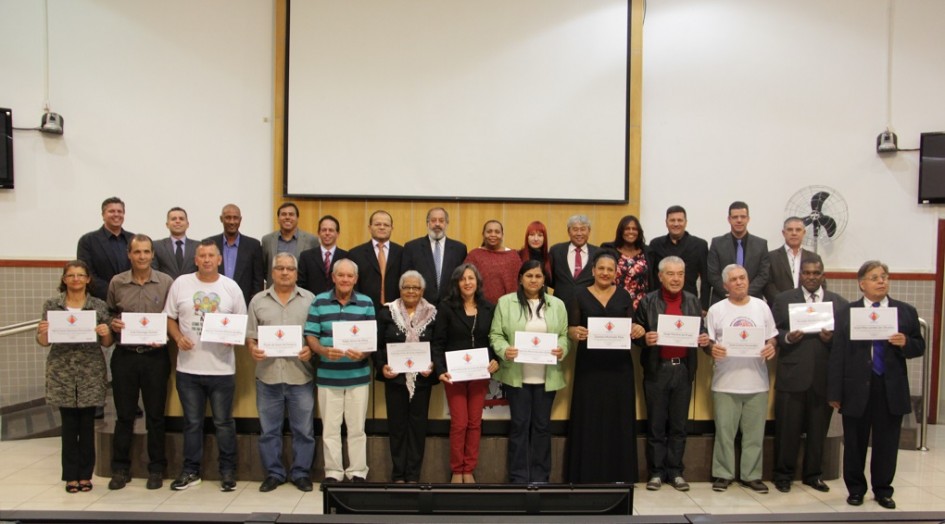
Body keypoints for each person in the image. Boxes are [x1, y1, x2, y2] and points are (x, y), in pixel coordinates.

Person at [828, 261, 925, 510]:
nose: (881, 281)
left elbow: (919, 346)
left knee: (886, 443)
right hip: (856, 387)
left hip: (889, 387)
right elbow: (838, 353)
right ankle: (856, 490)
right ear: (862, 284)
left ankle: (883, 490)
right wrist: (835, 391)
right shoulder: (847, 313)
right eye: (874, 277)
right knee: (854, 443)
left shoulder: (904, 311)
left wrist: (906, 342)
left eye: (884, 276)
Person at [164, 239, 247, 492]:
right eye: (203, 256)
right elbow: (168, 317)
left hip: (221, 369)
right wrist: (178, 338)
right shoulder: (181, 284)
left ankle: (227, 471)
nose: (207, 260)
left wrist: (232, 337)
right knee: (192, 423)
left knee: (223, 423)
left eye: (212, 255)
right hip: (188, 369)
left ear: (219, 259)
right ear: (196, 259)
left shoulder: (231, 287)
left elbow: (241, 322)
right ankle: (191, 471)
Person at [771, 255, 847, 493]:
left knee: (818, 430)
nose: (811, 277)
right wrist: (787, 337)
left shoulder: (839, 303)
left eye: (816, 273)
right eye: (806, 273)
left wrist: (831, 339)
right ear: (800, 275)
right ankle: (783, 475)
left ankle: (813, 475)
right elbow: (774, 332)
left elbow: (845, 341)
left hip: (822, 378)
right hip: (792, 374)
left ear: (823, 275)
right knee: (787, 429)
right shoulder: (784, 300)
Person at [489, 260, 569, 484]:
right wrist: (505, 350)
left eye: (538, 276)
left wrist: (562, 349)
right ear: (520, 278)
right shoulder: (505, 303)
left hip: (547, 377)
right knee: (519, 426)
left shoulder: (557, 305)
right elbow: (495, 335)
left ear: (545, 280)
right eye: (529, 276)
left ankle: (541, 477)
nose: (534, 280)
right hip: (516, 376)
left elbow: (563, 335)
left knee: (542, 428)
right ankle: (518, 477)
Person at [634, 255, 710, 491]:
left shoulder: (692, 301)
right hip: (658, 369)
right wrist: (645, 339)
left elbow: (701, 331)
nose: (676, 279)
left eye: (680, 274)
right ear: (660, 276)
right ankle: (656, 472)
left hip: (684, 370)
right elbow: (637, 334)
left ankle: (676, 472)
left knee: (679, 424)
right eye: (670, 273)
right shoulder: (648, 302)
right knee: (656, 424)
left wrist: (704, 338)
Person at [36, 260, 113, 493]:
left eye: (81, 275)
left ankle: (85, 475)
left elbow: (107, 343)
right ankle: (70, 476)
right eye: (71, 275)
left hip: (90, 371)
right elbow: (43, 341)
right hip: (62, 372)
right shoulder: (52, 305)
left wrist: (105, 332)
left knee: (88, 425)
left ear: (88, 279)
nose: (76, 279)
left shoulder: (98, 306)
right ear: (64, 279)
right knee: (68, 426)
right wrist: (43, 333)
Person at [105, 235, 174, 490]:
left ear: (153, 254)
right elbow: (111, 311)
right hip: (125, 356)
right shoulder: (117, 282)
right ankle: (120, 469)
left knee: (156, 415)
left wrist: (165, 335)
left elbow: (171, 317)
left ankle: (156, 468)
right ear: (129, 254)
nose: (142, 256)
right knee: (124, 415)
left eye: (146, 252)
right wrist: (114, 323)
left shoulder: (166, 282)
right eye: (137, 252)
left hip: (155, 357)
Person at [565, 251, 639, 483]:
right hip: (590, 367)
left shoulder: (624, 295)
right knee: (589, 417)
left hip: (620, 369)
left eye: (610, 269)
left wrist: (638, 330)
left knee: (619, 418)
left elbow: (632, 327)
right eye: (601, 268)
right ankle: (585, 474)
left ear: (615, 272)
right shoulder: (578, 294)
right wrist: (574, 332)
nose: (605, 273)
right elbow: (570, 328)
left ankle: (620, 474)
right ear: (593, 270)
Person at [246, 253, 317, 493]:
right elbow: (251, 335)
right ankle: (274, 473)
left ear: (296, 273)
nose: (285, 272)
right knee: (269, 431)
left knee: (304, 431)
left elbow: (317, 335)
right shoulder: (258, 300)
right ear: (272, 272)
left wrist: (311, 350)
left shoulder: (310, 300)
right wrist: (253, 349)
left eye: (289, 268)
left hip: (301, 375)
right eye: (279, 268)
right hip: (268, 376)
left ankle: (300, 473)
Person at [705, 264, 777, 494]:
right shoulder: (716, 309)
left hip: (756, 380)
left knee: (754, 434)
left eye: (742, 278)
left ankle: (751, 475)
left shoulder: (762, 307)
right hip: (725, 381)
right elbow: (708, 341)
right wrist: (712, 348)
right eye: (734, 279)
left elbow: (772, 338)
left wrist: (770, 347)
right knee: (725, 432)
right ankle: (723, 474)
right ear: (725, 285)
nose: (739, 282)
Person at [304, 258, 375, 483]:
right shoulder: (318, 301)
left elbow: (371, 341)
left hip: (358, 376)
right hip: (327, 376)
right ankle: (333, 472)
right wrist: (322, 351)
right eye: (341, 275)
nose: (345, 279)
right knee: (330, 429)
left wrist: (363, 353)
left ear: (355, 279)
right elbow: (311, 335)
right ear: (333, 277)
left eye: (349, 276)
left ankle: (357, 472)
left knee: (357, 428)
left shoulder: (366, 303)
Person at [432, 264, 499, 484]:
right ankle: (456, 469)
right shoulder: (446, 307)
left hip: (480, 373)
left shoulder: (489, 308)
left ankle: (469, 468)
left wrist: (495, 360)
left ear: (478, 282)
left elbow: (494, 339)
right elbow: (438, 342)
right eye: (462, 279)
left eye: (471, 278)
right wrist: (440, 370)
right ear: (456, 284)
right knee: (459, 423)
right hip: (454, 374)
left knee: (475, 423)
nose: (467, 282)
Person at [374, 271, 438, 482]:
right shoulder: (387, 312)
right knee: (397, 427)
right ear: (400, 290)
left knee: (418, 428)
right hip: (395, 379)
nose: (411, 291)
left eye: (416, 287)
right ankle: (398, 474)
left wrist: (433, 365)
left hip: (422, 379)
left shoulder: (433, 313)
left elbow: (438, 345)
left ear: (422, 291)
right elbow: (378, 345)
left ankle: (413, 475)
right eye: (407, 287)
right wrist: (382, 366)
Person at [707, 201, 770, 305]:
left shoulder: (761, 244)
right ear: (729, 219)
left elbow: (763, 275)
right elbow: (713, 274)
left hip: (752, 300)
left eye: (743, 217)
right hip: (723, 300)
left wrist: (744, 293)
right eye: (735, 217)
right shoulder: (717, 243)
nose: (739, 220)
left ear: (748, 219)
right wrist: (731, 292)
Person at [648, 205, 710, 310]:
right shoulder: (655, 244)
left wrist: (704, 306)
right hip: (660, 303)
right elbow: (652, 276)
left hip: (689, 303)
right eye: (672, 220)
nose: (676, 224)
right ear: (666, 223)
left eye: (680, 220)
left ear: (686, 222)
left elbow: (705, 278)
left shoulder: (700, 245)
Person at [401, 207, 467, 305]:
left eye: (441, 221)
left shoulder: (459, 249)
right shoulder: (412, 247)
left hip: (451, 306)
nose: (437, 224)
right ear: (427, 223)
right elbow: (405, 279)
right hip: (420, 306)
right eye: (433, 220)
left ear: (446, 224)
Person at [206, 203, 264, 306]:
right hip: (214, 302)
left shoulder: (253, 245)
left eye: (235, 218)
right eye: (228, 218)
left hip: (244, 303)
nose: (232, 222)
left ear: (240, 220)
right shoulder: (210, 243)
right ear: (221, 219)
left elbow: (258, 281)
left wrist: (253, 304)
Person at [77, 196, 133, 300]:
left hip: (131, 298)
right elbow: (87, 273)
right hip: (100, 299)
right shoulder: (88, 241)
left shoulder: (133, 239)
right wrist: (113, 292)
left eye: (119, 211)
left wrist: (129, 293)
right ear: (103, 215)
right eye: (111, 211)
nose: (116, 214)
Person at [348, 210, 403, 311]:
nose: (382, 227)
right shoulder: (355, 254)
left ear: (392, 228)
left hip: (396, 310)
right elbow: (353, 286)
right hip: (364, 309)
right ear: (369, 228)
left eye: (386, 225)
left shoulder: (402, 252)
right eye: (377, 224)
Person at [464, 220, 522, 304]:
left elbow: (520, 282)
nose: (493, 235)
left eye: (497, 232)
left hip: (508, 306)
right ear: (483, 234)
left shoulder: (513, 256)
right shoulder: (474, 255)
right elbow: (465, 281)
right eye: (489, 231)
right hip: (479, 307)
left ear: (502, 235)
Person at [548, 215, 599, 309]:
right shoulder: (556, 250)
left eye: (583, 229)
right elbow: (550, 278)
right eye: (575, 229)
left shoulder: (598, 253)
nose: (579, 233)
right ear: (568, 231)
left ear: (589, 231)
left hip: (589, 306)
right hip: (560, 305)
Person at [261, 202, 318, 285]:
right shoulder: (267, 240)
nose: (287, 217)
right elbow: (264, 269)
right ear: (278, 218)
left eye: (291, 214)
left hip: (301, 291)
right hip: (274, 290)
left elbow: (313, 269)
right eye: (284, 214)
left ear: (297, 218)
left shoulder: (311, 240)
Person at [763, 216, 815, 304]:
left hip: (806, 308)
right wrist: (783, 302)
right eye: (790, 230)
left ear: (804, 232)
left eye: (798, 230)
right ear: (783, 233)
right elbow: (767, 285)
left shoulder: (814, 258)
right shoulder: (771, 257)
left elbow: (819, 284)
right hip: (779, 308)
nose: (794, 233)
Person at [605, 215, 651, 310]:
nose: (631, 232)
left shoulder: (648, 252)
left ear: (639, 232)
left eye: (634, 229)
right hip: (615, 302)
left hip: (642, 305)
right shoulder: (608, 250)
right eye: (627, 229)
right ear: (621, 231)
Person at [298, 215, 348, 295]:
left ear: (337, 234)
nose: (327, 233)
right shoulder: (306, 256)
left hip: (338, 303)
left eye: (331, 230)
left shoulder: (346, 257)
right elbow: (300, 284)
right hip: (312, 303)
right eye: (324, 230)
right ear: (318, 233)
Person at [152, 207, 199, 279]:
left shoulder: (198, 246)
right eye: (174, 219)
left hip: (192, 288)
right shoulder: (157, 246)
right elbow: (154, 272)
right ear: (167, 224)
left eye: (181, 219)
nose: (178, 221)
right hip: (166, 289)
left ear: (187, 224)